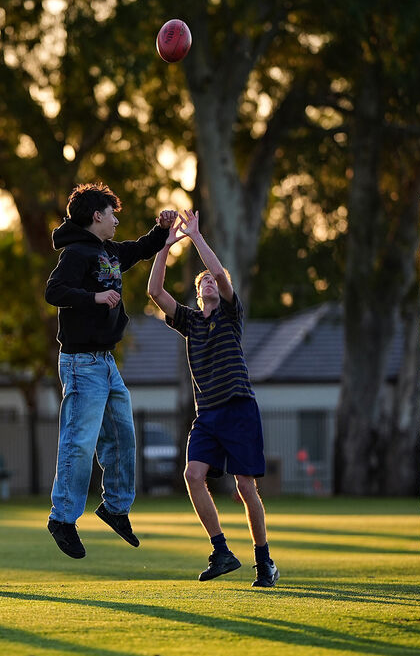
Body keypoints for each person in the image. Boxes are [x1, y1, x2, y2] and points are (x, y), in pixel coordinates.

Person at [44, 181, 176, 559]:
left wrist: (162, 229)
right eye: (112, 213)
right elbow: (54, 292)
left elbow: (141, 248)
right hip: (81, 363)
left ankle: (115, 508)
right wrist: (94, 297)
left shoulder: (109, 251)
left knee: (122, 437)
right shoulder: (76, 254)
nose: (117, 219)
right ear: (96, 215)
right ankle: (63, 519)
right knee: (79, 444)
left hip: (105, 362)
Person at [146, 209, 278, 586]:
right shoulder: (189, 322)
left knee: (245, 487)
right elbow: (154, 293)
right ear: (197, 291)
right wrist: (164, 246)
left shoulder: (232, 315)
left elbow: (219, 273)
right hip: (207, 416)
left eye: (212, 282)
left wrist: (197, 236)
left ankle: (264, 560)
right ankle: (220, 550)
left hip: (238, 409)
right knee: (192, 474)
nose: (208, 282)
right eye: (201, 281)